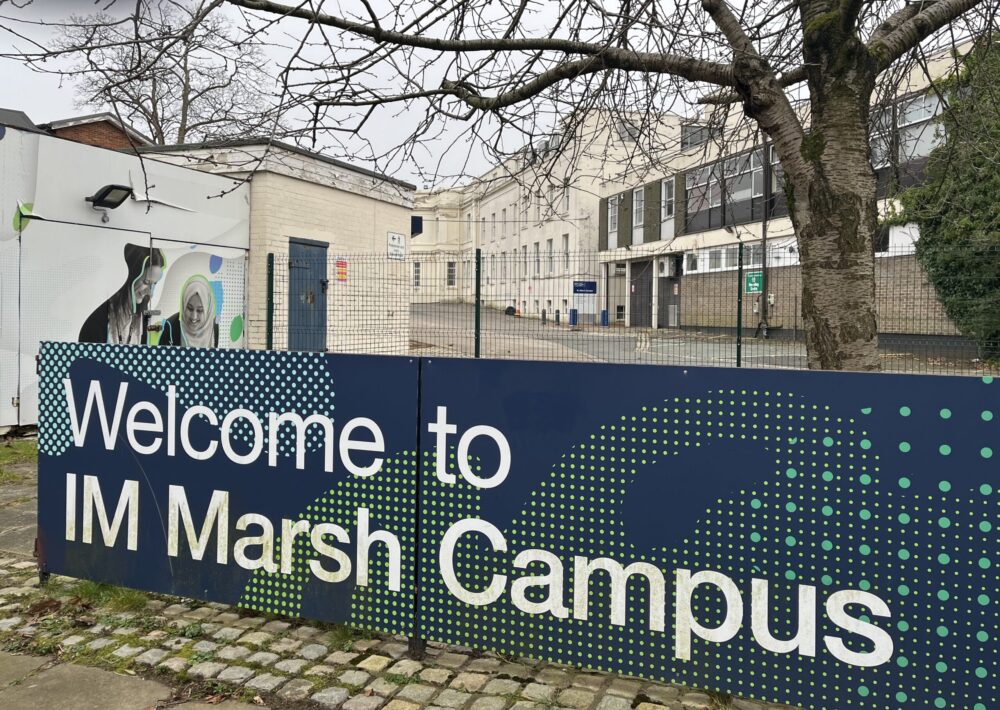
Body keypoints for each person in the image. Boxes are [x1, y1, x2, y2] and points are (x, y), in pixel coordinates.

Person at [79, 244, 166, 344]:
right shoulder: (100, 311)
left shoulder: (143, 312)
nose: (150, 293)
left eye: (154, 284)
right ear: (129, 276)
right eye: (146, 282)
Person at [158, 274, 219, 347]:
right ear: (183, 304)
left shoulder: (213, 327)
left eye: (200, 310)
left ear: (208, 310)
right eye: (190, 308)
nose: (194, 317)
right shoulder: (170, 326)